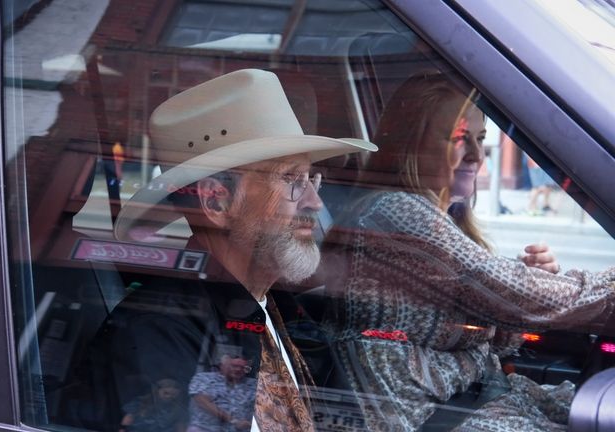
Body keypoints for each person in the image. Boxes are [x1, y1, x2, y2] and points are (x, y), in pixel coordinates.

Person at [320, 71, 615, 431]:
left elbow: (495, 325)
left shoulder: (442, 220)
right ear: (409, 142)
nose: (476, 155)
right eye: (460, 138)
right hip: (440, 419)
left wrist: (525, 289)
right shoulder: (395, 213)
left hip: (480, 402)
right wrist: (592, 290)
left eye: (480, 139)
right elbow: (509, 293)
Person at [88, 69, 377, 432]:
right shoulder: (157, 333)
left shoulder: (285, 312)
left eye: (312, 180)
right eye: (291, 180)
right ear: (217, 202)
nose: (315, 202)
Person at [187, 353, 256, 432]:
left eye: (242, 367)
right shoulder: (204, 378)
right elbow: (202, 401)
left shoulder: (252, 384)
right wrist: (233, 420)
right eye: (234, 366)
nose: (238, 369)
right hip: (205, 428)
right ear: (222, 366)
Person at [118, 378, 186, 432]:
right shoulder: (140, 403)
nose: (169, 397)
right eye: (166, 393)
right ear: (156, 390)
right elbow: (125, 424)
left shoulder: (178, 410)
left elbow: (180, 428)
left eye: (173, 395)